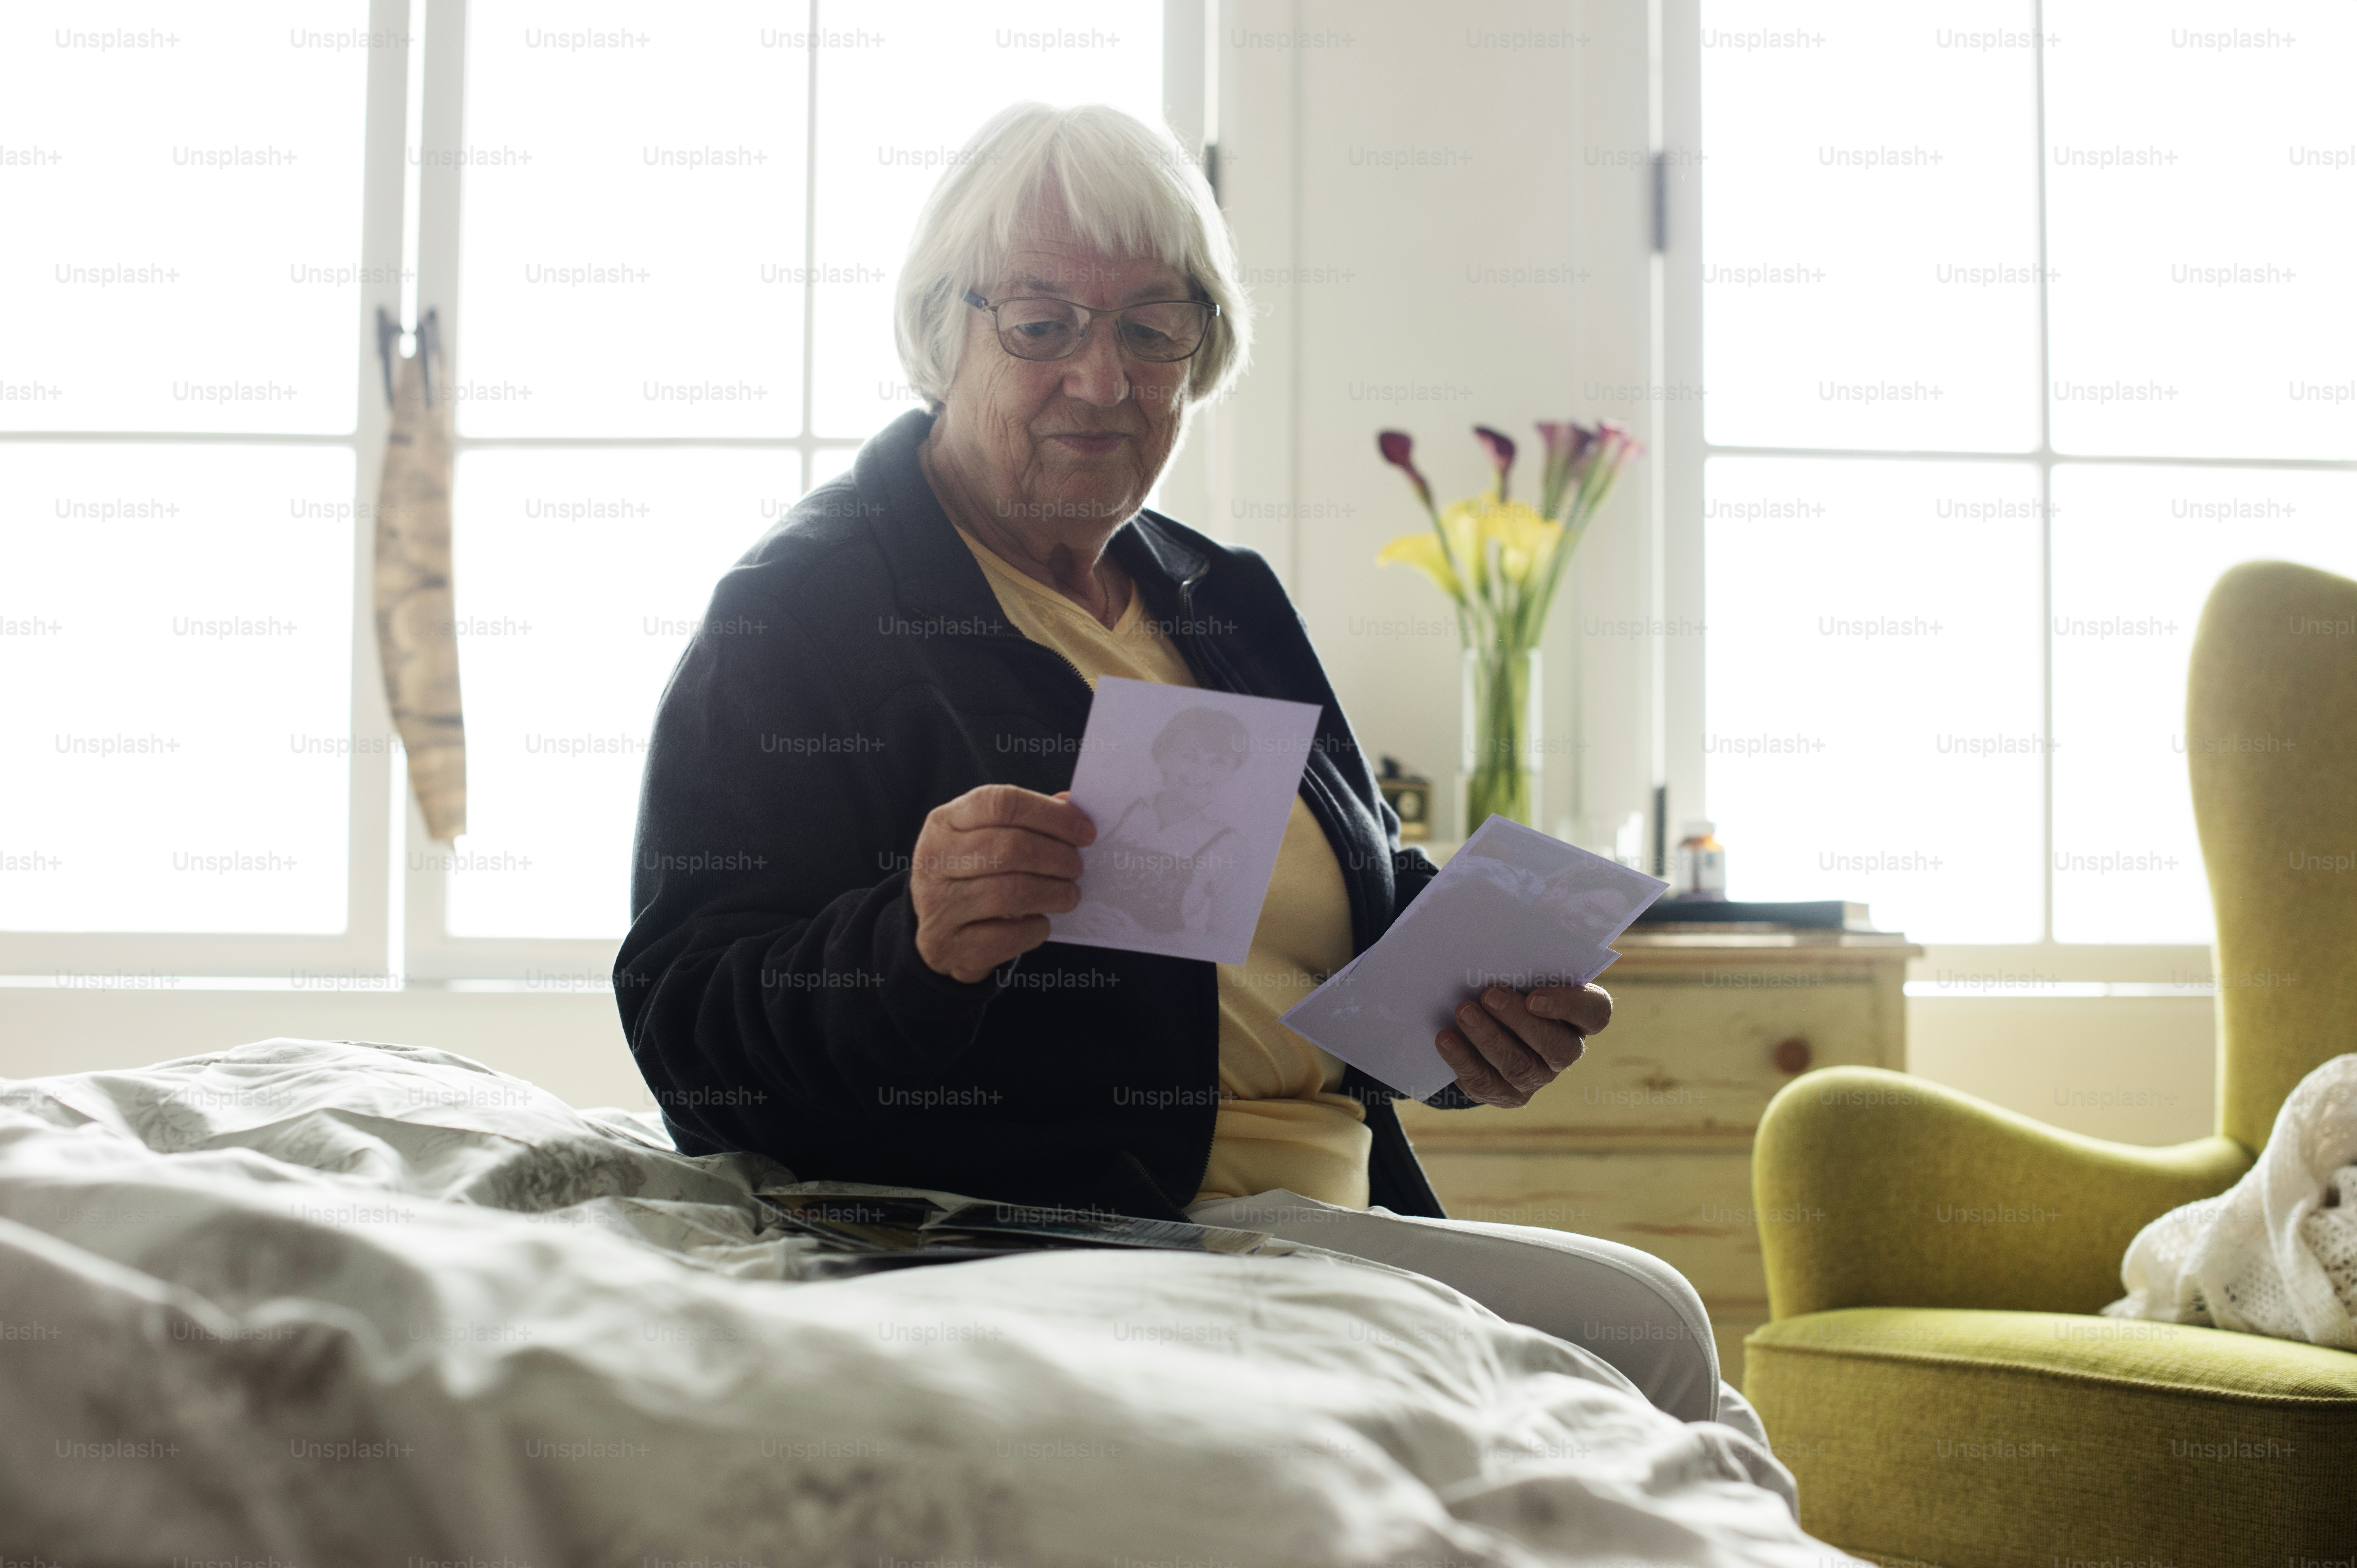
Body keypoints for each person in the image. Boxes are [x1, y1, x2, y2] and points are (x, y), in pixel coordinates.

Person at [617, 101, 1768, 1446]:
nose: (1100, 380)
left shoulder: (1221, 600)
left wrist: (1471, 1027)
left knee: (1648, 1358)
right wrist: (909, 946)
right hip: (1085, 1230)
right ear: (942, 333)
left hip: (1332, 1213)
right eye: (1040, 324)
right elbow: (683, 1017)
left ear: (1198, 353)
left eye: (1150, 327)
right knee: (1653, 1335)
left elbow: (1343, 917)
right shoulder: (804, 606)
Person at [1074, 706, 1251, 945]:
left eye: (1218, 762)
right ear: (1163, 758)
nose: (1200, 772)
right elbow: (1047, 877)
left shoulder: (1231, 848)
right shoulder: (1109, 811)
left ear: (1232, 772)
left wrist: (1147, 940)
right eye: (1189, 756)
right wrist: (1071, 915)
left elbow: (1228, 941)